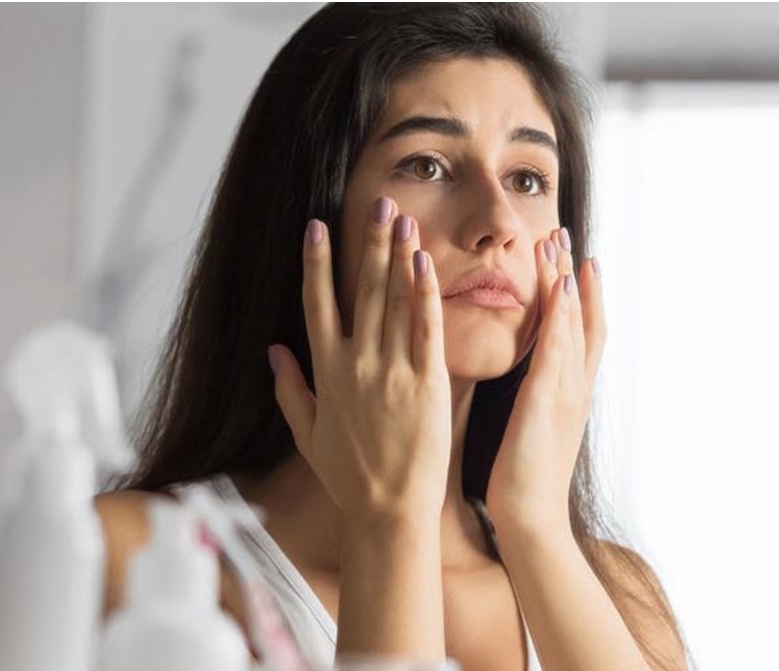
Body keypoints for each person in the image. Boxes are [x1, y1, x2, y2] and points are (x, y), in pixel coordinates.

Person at [94, 4, 688, 670]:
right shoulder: (127, 558)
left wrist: (537, 525)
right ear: (306, 214)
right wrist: (389, 520)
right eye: (427, 165)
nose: (498, 222)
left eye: (527, 179)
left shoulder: (624, 599)